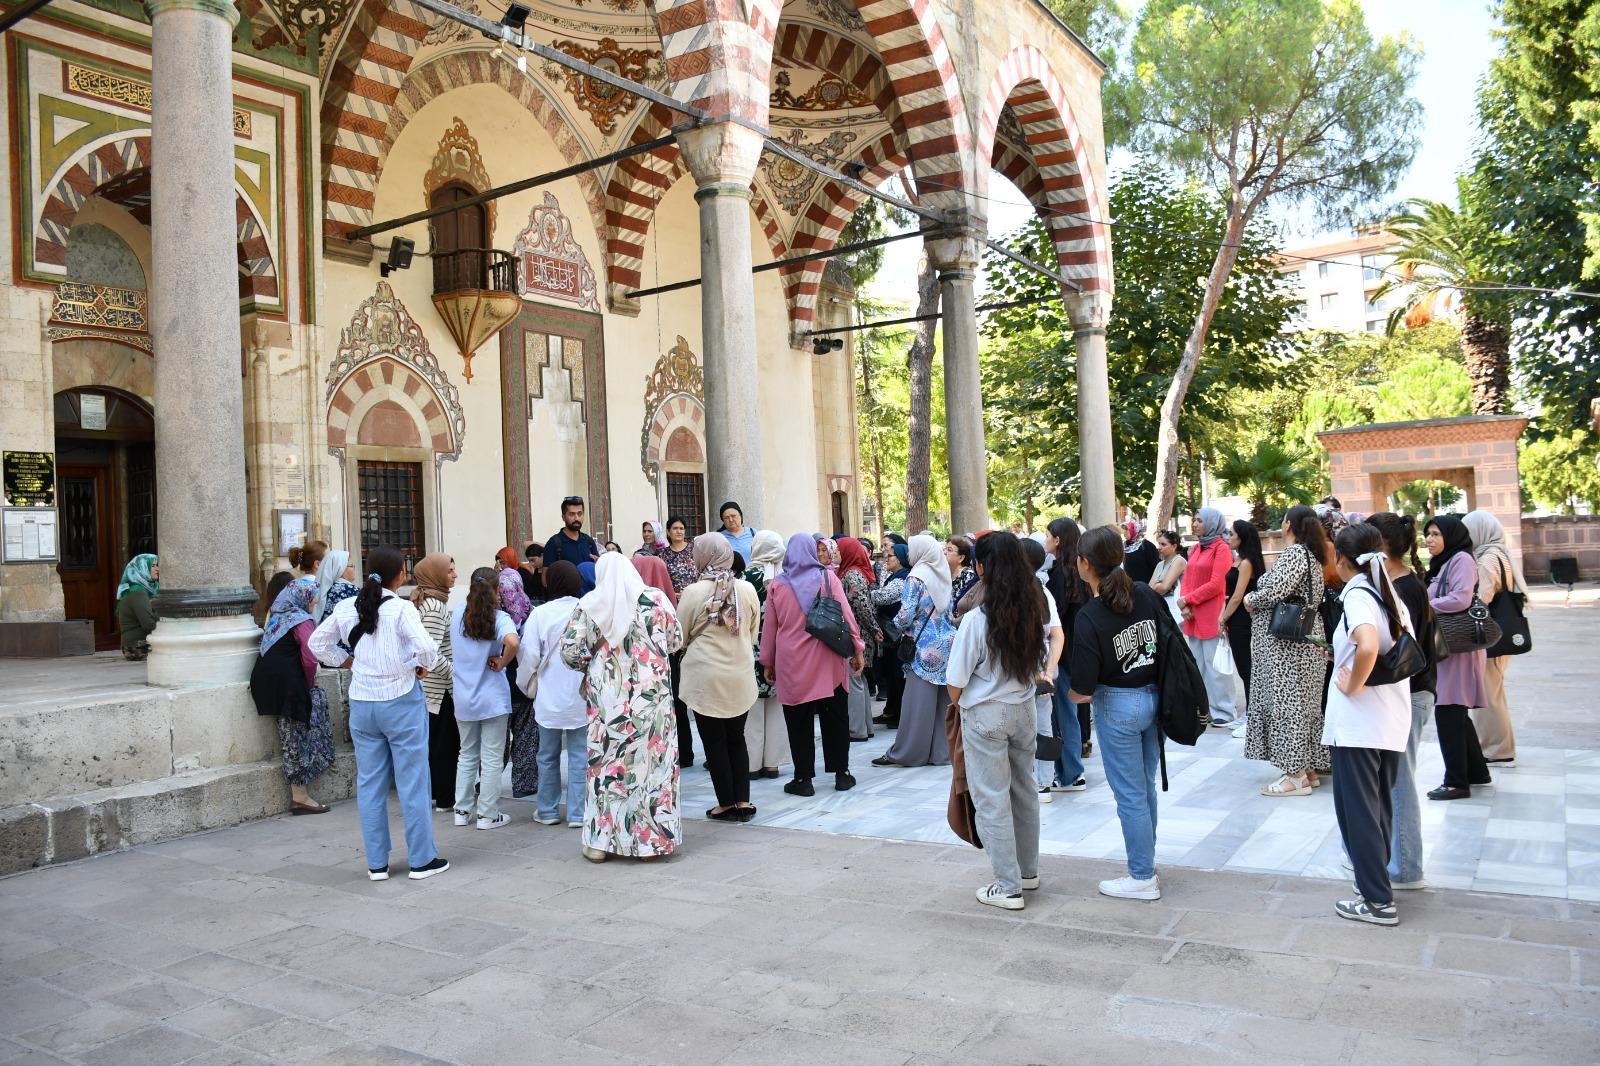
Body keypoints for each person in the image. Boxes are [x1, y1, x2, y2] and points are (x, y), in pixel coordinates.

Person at [309, 547, 447, 881]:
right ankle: (421, 859)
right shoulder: (401, 609)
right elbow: (427, 647)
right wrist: (419, 666)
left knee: (370, 783)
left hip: (362, 702)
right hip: (400, 700)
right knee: (413, 780)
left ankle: (376, 863)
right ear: (399, 574)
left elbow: (316, 643)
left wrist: (347, 661)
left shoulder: (346, 607)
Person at [947, 532, 1052, 910]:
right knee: (1024, 791)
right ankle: (1027, 871)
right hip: (1023, 709)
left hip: (986, 713)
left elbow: (955, 681)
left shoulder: (977, 619)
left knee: (992, 798)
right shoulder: (1033, 610)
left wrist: (961, 706)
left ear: (981, 567)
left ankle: (1007, 886)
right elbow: (1039, 663)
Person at [559, 553, 683, 862]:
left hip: (608, 701)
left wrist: (595, 665)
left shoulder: (590, 603)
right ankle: (649, 844)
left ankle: (600, 844)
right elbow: (676, 639)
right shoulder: (656, 599)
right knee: (652, 767)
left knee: (606, 769)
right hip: (653, 699)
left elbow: (570, 651)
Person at [1323, 523, 1414, 926]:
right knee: (1377, 808)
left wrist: (1354, 683)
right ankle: (1375, 886)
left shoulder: (1358, 593)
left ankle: (1377, 900)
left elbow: (1370, 644)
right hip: (1388, 720)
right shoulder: (1386, 591)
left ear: (1342, 559)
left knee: (1357, 811)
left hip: (1360, 724)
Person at [1069, 526, 1166, 901]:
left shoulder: (1091, 614)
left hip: (1117, 704)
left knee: (1130, 794)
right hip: (1152, 698)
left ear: (1085, 564)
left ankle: (1141, 875)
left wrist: (1074, 697)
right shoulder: (1143, 593)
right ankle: (1147, 864)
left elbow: (1083, 682)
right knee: (1143, 789)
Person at [760, 533, 864, 796]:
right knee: (836, 717)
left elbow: (770, 629)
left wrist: (767, 661)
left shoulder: (777, 586)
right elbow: (847, 617)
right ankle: (842, 774)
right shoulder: (828, 578)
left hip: (792, 663)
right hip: (829, 659)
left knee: (798, 720)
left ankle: (803, 779)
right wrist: (858, 649)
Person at [1367, 512, 1436, 891]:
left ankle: (1407, 867)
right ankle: (1397, 861)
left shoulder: (1404, 587)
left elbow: (1402, 651)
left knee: (1400, 782)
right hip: (1409, 693)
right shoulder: (1399, 582)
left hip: (1411, 694)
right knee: (1393, 780)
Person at [1243, 505, 1331, 797]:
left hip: (1288, 647)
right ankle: (1307, 769)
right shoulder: (1313, 555)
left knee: (1287, 705)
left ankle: (1294, 776)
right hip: (1305, 641)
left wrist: (1251, 597)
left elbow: (1273, 591)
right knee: (1304, 705)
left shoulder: (1295, 553)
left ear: (1289, 524)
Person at [679, 533, 761, 821]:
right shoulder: (747, 589)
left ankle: (726, 803)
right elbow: (752, 631)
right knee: (736, 738)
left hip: (705, 677)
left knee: (714, 741)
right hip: (739, 673)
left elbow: (680, 635)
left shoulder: (693, 592)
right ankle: (743, 801)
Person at [249, 578, 335, 814]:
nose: (316, 599)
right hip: (288, 685)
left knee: (290, 735)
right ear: (302, 597)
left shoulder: (278, 617)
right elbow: (310, 657)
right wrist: (308, 685)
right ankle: (300, 796)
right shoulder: (301, 620)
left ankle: (300, 794)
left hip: (266, 682)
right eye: (312, 595)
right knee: (296, 737)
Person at [448, 567, 520, 831]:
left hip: (464, 697)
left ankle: (461, 809)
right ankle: (488, 814)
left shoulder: (457, 614)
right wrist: (502, 662)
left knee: (466, 754)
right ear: (497, 590)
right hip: (492, 698)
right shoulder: (499, 618)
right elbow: (513, 642)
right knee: (491, 757)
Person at [874, 534, 955, 769]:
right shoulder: (943, 574)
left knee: (917, 703)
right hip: (946, 644)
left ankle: (909, 753)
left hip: (923, 647)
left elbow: (906, 614)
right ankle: (941, 752)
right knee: (942, 703)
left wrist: (895, 626)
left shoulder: (916, 577)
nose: (908, 554)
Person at [1425, 514, 1491, 800]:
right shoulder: (1445, 561)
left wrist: (1423, 605)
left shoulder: (1461, 559)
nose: (1429, 539)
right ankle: (1477, 772)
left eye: (1436, 534)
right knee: (1456, 711)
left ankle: (1456, 782)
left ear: (1451, 536)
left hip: (1458, 647)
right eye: (1428, 534)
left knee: (1448, 710)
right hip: (1450, 646)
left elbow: (1462, 599)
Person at [518, 561, 587, 827]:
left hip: (549, 696)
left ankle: (547, 810)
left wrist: (525, 686)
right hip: (581, 695)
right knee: (580, 756)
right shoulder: (586, 610)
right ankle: (578, 814)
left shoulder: (540, 614)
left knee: (547, 756)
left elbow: (529, 655)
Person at [1463, 509, 1524, 769]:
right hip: (1499, 636)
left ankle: (1498, 750)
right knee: (1493, 693)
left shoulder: (1488, 558)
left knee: (1488, 695)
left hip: (1490, 638)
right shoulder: (1499, 553)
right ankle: (1497, 746)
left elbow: (1481, 599)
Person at [1177, 508, 1240, 728]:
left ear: (1212, 523)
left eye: (1200, 521)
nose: (1195, 524)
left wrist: (1188, 600)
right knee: (1197, 665)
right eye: (1194, 520)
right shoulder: (1195, 549)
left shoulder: (1221, 549)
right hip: (1192, 614)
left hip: (1211, 614)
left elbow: (1216, 585)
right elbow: (1187, 578)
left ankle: (1224, 709)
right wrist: (1184, 601)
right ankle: (1204, 708)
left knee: (1216, 668)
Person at [1018, 538, 1067, 806]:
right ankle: (1043, 783)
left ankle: (1036, 782)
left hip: (1027, 673)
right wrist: (1049, 671)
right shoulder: (1043, 591)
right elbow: (1058, 636)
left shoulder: (1023, 593)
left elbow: (1048, 635)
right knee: (1043, 724)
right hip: (1044, 672)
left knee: (1028, 727)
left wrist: (1042, 671)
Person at [1044, 516, 1090, 793]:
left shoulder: (1060, 573)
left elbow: (1055, 618)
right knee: (1068, 712)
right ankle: (1070, 772)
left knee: (1064, 714)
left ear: (1058, 540)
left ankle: (1071, 773)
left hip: (1064, 651)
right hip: (1080, 650)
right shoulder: (1081, 568)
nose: (1046, 539)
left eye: (1048, 535)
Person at [633, 552, 693, 769]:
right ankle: (685, 753)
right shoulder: (662, 599)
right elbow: (676, 636)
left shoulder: (626, 600)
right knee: (677, 704)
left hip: (640, 668)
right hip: (669, 659)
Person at [410, 553, 459, 812]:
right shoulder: (435, 607)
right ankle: (444, 797)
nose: (454, 575)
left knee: (436, 744)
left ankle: (436, 794)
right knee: (444, 745)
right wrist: (455, 675)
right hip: (438, 690)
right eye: (449, 571)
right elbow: (431, 652)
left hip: (433, 688)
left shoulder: (430, 601)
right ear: (436, 574)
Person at [743, 529, 791, 778]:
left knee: (752, 706)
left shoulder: (745, 577)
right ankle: (772, 763)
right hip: (780, 650)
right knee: (776, 706)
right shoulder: (786, 578)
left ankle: (751, 764)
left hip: (751, 650)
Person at [495, 548, 537, 797]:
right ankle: (524, 783)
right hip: (519, 682)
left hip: (498, 684)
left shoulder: (488, 616)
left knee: (496, 738)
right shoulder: (530, 614)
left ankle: (486, 784)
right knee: (524, 734)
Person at [836, 536, 883, 742]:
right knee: (859, 678)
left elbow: (861, 605)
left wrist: (873, 629)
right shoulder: (854, 572)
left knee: (853, 678)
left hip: (857, 634)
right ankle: (866, 727)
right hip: (862, 633)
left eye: (839, 551)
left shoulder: (852, 574)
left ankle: (856, 730)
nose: (836, 554)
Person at [1221, 521, 1265, 737]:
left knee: (1247, 668)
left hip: (1242, 620)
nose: (1228, 537)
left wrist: (1223, 617)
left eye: (1232, 534)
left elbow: (1238, 596)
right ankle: (1250, 713)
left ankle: (1253, 716)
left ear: (1242, 537)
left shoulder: (1247, 563)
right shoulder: (1238, 560)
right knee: (1243, 667)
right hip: (1235, 620)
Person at [871, 541, 911, 729]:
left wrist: (864, 591)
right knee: (891, 675)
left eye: (891, 556)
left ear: (902, 559)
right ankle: (892, 711)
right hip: (890, 636)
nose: (886, 558)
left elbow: (881, 597)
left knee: (897, 675)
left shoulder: (902, 578)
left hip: (897, 635)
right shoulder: (895, 575)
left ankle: (898, 714)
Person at [115, 553, 159, 660]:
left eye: (157, 565)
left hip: (138, 645)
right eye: (152, 566)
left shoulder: (148, 589)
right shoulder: (137, 592)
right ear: (142, 568)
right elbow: (149, 625)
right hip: (136, 648)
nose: (157, 569)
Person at [543, 496, 600, 568]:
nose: (576, 518)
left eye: (579, 514)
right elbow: (546, 577)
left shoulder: (589, 541)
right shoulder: (553, 544)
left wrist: (598, 564)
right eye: (572, 514)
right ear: (563, 517)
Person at [1149, 530, 1187, 625]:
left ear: (1174, 546)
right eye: (1159, 544)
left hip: (1176, 610)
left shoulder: (1179, 561)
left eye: (1163, 544)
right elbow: (1149, 589)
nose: (1159, 547)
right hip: (1161, 608)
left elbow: (1164, 587)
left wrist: (1158, 585)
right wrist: (1159, 586)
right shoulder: (1160, 564)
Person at [311, 549, 357, 622]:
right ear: (340, 568)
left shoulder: (319, 589)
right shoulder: (351, 590)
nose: (354, 569)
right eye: (351, 566)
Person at [657, 516, 698, 594]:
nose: (679, 531)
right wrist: (673, 594)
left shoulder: (695, 549)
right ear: (668, 532)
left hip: (695, 597)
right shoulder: (663, 555)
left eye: (681, 528)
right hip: (674, 600)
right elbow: (662, 580)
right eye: (675, 528)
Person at [1122, 517, 1159, 585]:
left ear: (1134, 530)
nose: (1124, 532)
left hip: (1145, 586)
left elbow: (1155, 566)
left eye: (1127, 529)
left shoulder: (1145, 545)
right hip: (1129, 587)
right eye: (1124, 530)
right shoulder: (1123, 546)